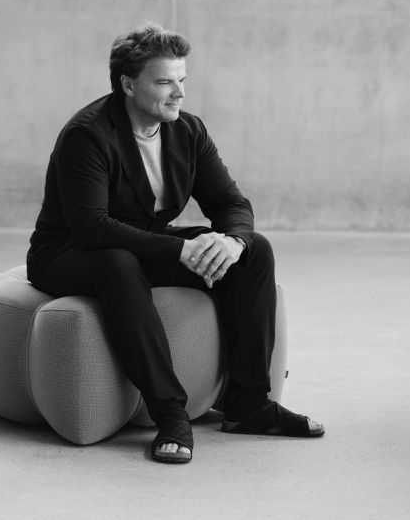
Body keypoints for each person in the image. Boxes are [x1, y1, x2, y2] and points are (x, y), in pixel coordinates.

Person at [26, 23, 324, 464]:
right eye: (165, 82)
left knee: (255, 250)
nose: (179, 93)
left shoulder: (187, 131)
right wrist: (179, 250)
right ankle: (170, 414)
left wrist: (233, 242)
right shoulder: (87, 134)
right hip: (69, 252)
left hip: (143, 246)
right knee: (116, 262)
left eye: (182, 80)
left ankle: (249, 404)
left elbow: (230, 202)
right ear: (129, 85)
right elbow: (92, 227)